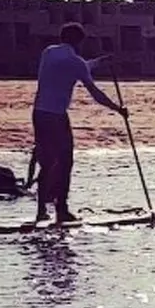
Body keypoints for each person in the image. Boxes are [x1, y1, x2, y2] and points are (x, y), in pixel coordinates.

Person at [31, 22, 126, 223]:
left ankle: (41, 211)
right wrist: (118, 109)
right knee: (65, 162)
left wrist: (99, 62)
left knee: (47, 164)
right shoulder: (76, 63)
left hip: (39, 113)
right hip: (56, 116)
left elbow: (79, 66)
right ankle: (62, 210)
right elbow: (95, 93)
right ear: (79, 42)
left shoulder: (48, 52)